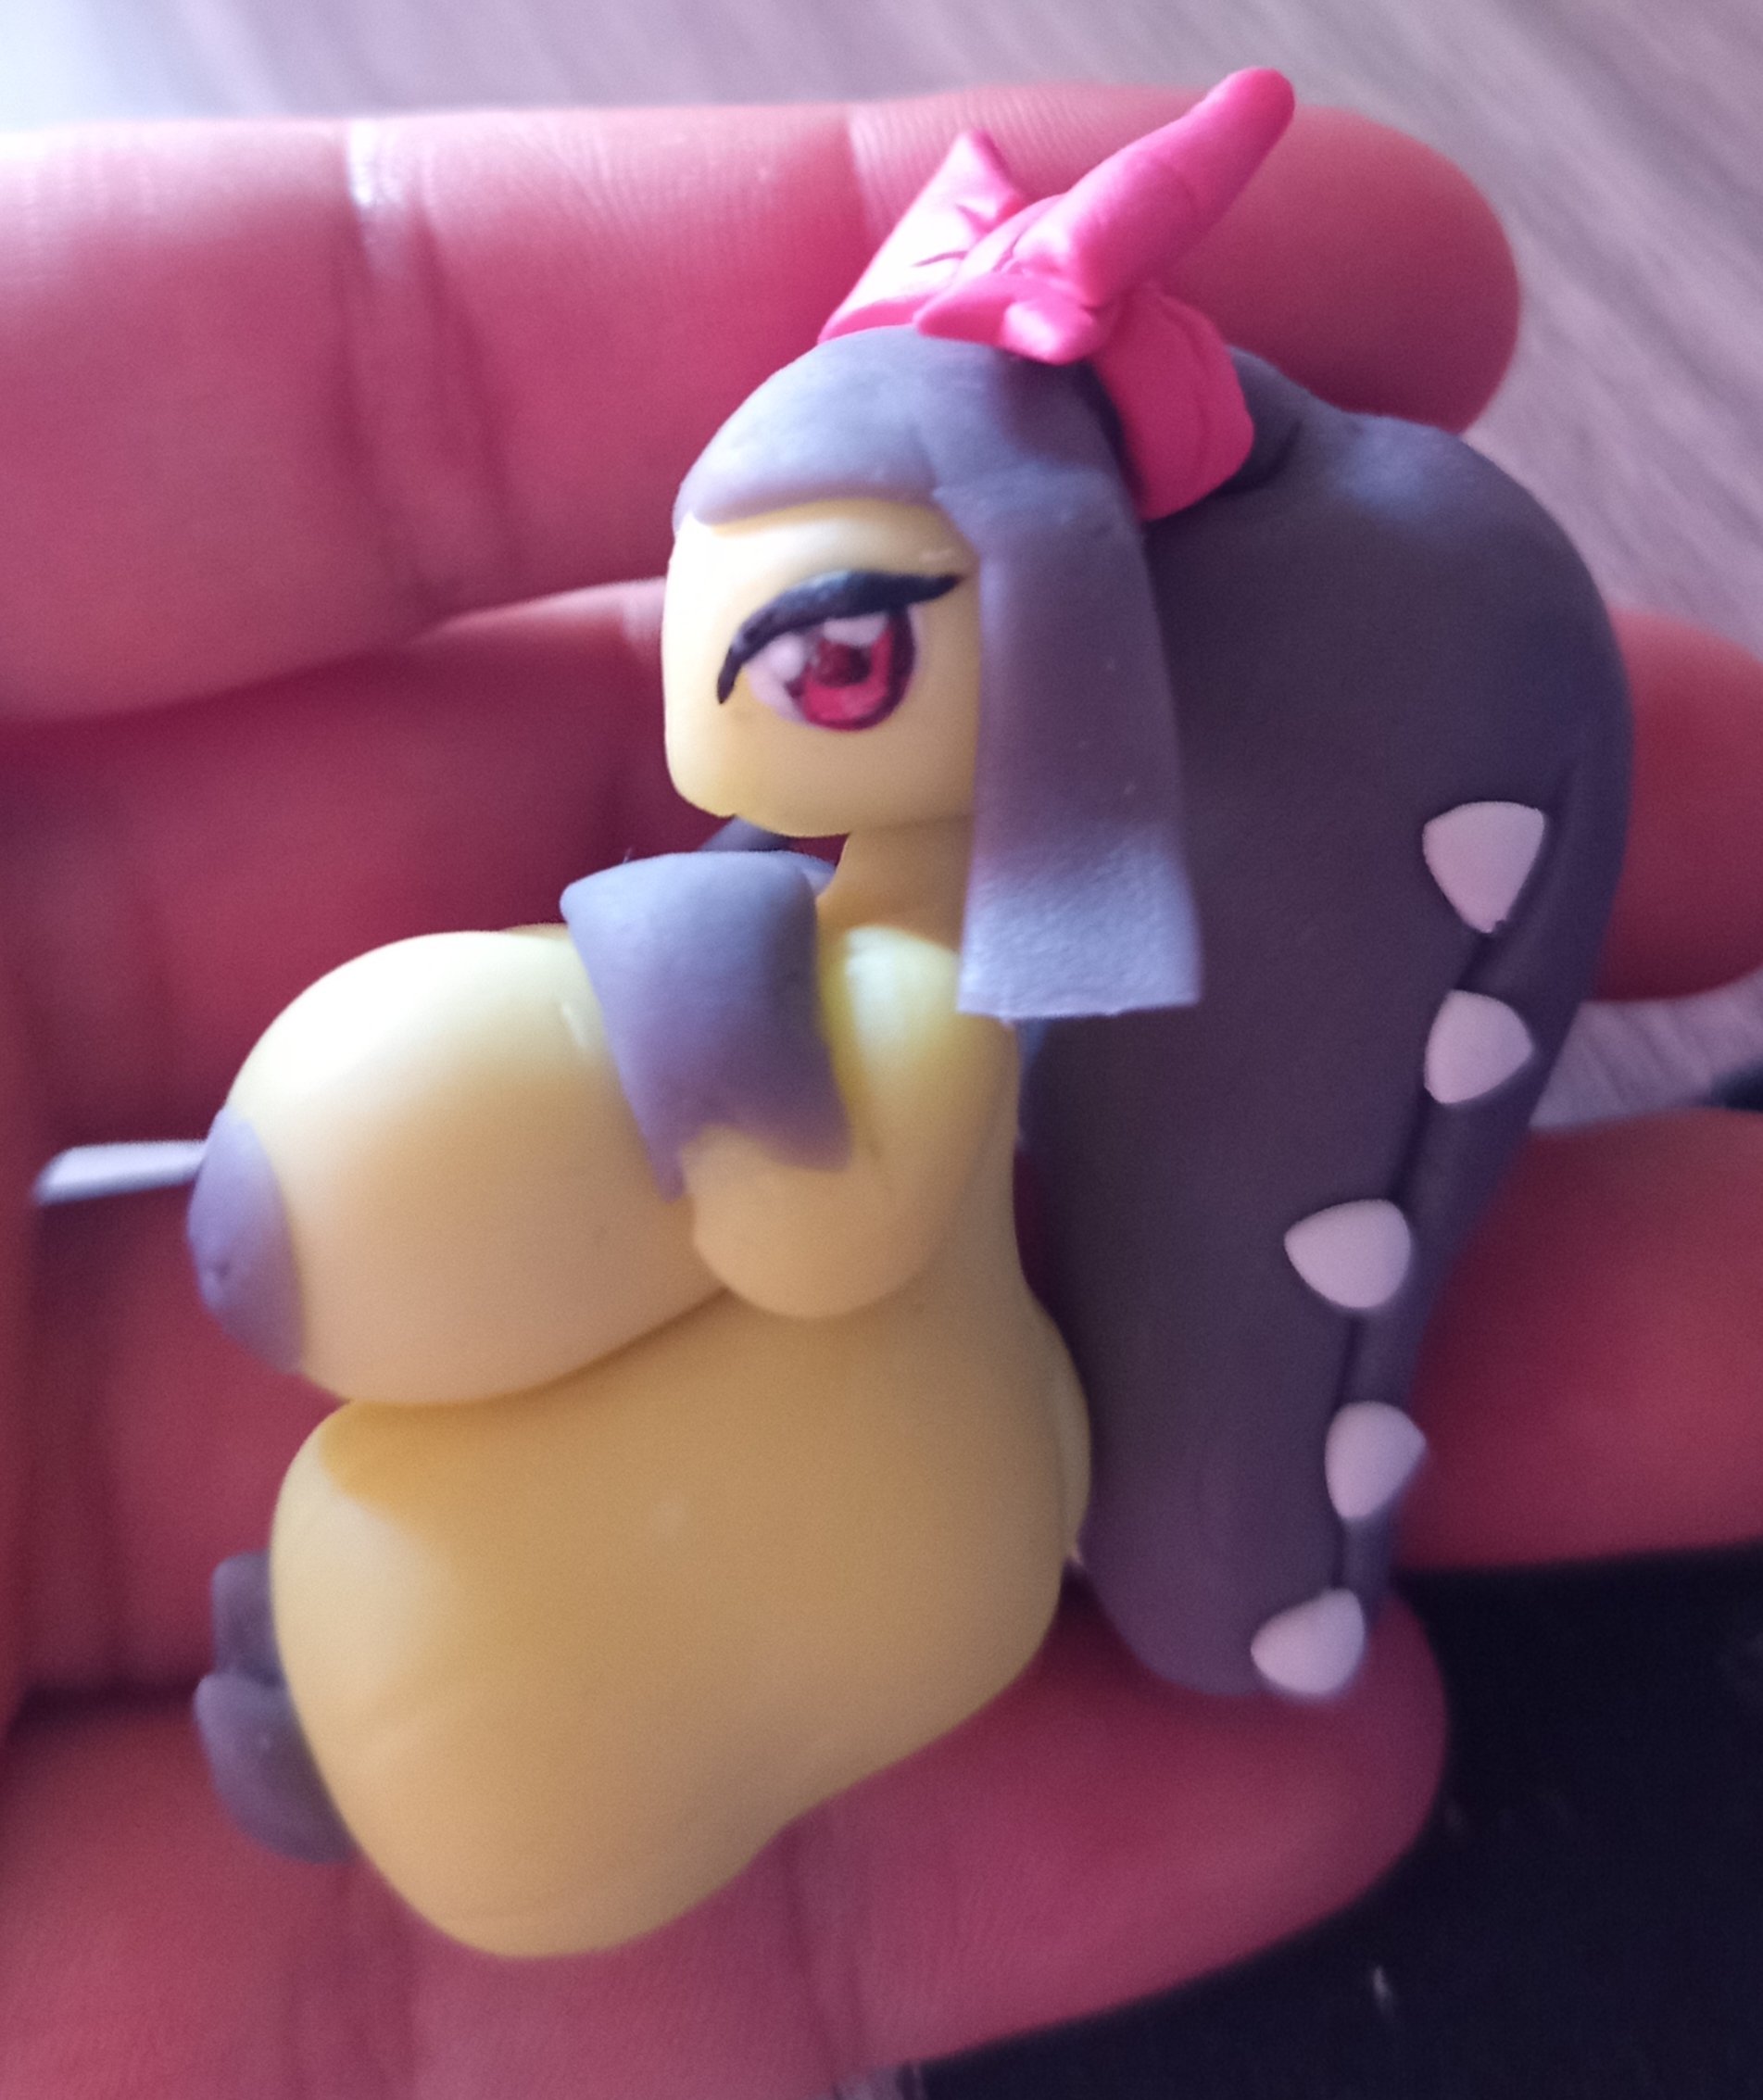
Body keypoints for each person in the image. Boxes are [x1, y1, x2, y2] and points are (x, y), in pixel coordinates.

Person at [3, 82, 1762, 2098]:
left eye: (830, 667)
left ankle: (455, 1722)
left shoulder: (913, 1002)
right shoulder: (845, 926)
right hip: (719, 1507)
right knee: (448, 1568)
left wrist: (698, 995)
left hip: (908, 1513)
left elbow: (828, 1228)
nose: (719, 760)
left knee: (525, 1667)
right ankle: (415, 1695)